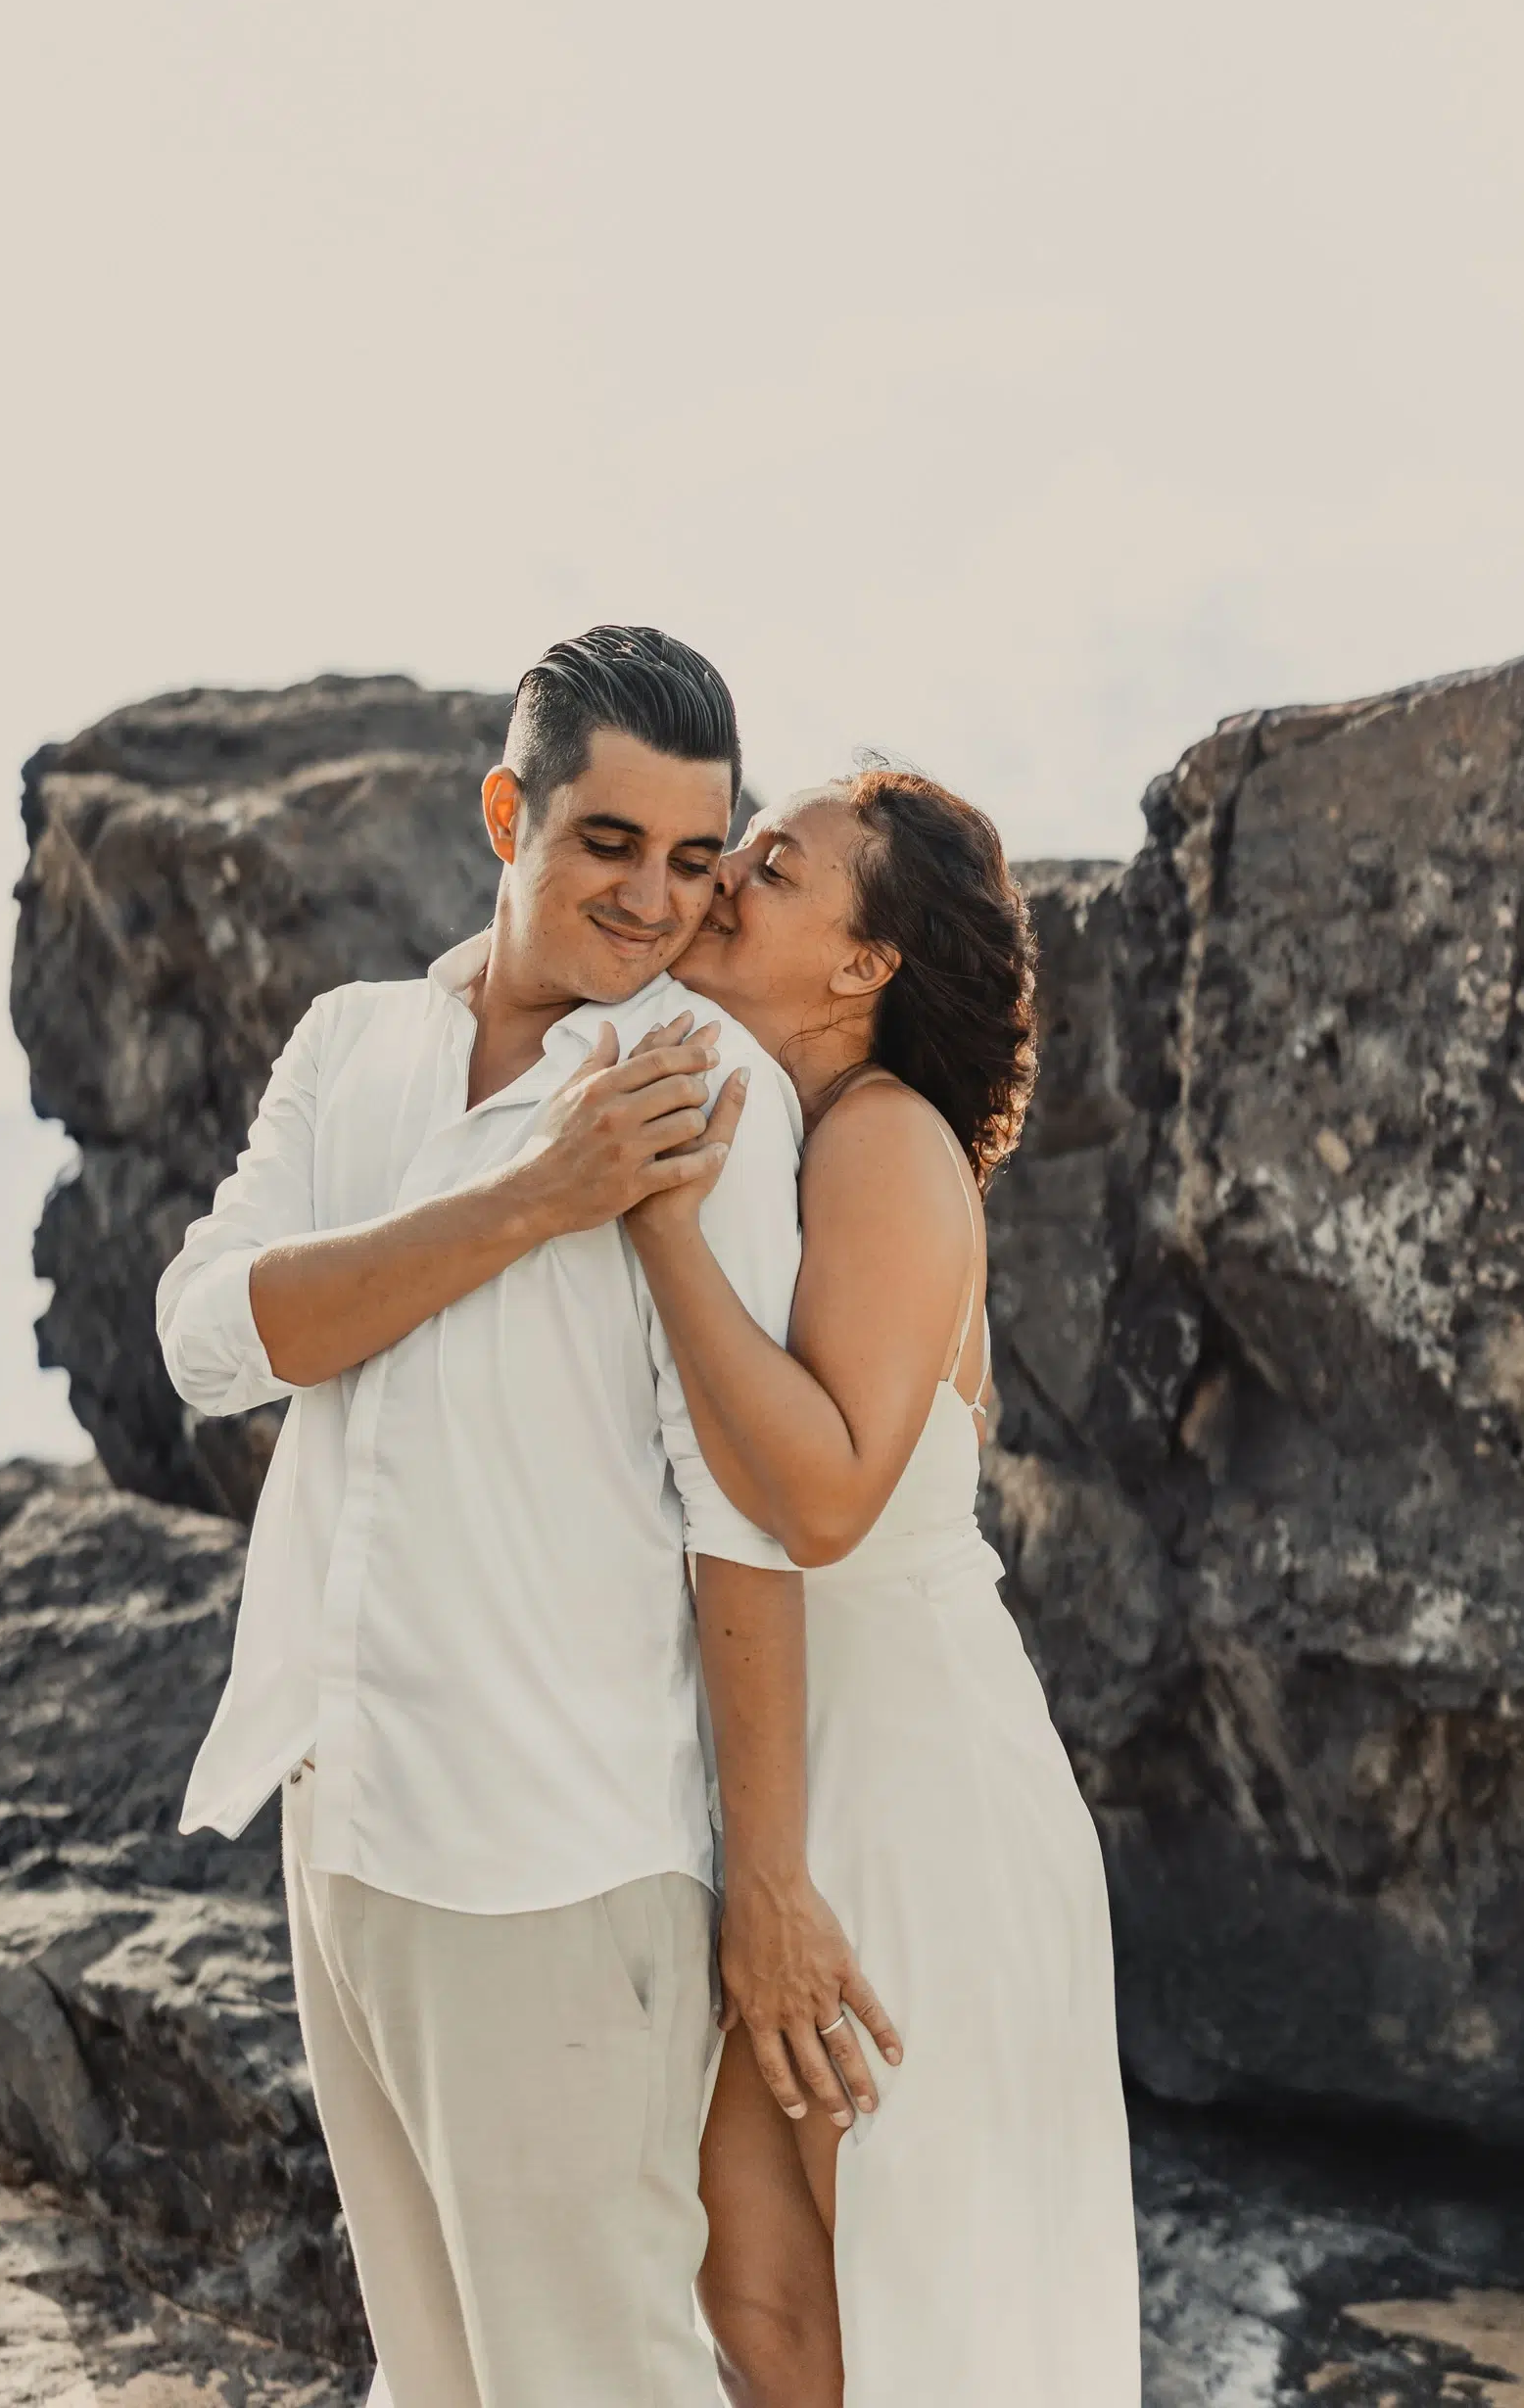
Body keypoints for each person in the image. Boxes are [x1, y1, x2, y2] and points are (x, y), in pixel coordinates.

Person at [153, 627, 897, 2408]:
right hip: (338, 1825)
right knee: (433, 2375)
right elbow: (207, 1339)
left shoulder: (699, 1096)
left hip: (556, 1861)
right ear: (509, 812)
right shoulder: (351, 1048)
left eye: (696, 859)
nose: (654, 900)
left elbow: (743, 1519)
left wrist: (767, 1885)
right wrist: (532, 1200)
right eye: (606, 842)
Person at [621, 770, 1143, 2406]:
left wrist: (654, 1239)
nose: (722, 885)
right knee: (764, 2302)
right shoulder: (779, 1132)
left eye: (771, 867)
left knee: (920, 2315)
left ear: (864, 964)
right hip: (798, 1771)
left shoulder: (882, 1142)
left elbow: (829, 1497)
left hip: (921, 1799)